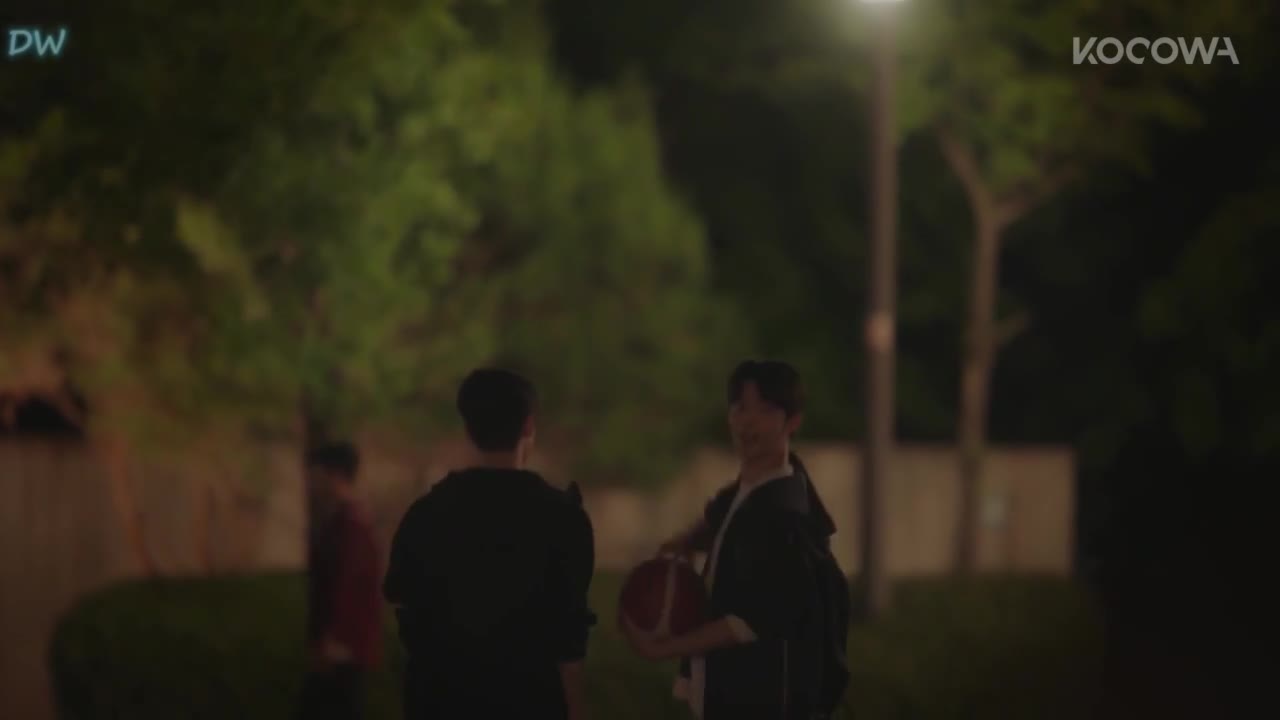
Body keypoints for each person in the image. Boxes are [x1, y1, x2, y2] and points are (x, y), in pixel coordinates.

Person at [620, 360, 849, 720]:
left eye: (766, 410)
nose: (748, 421)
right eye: (740, 408)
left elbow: (749, 621)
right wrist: (688, 540)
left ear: (793, 422)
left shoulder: (783, 518)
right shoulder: (759, 488)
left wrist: (664, 648)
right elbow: (723, 515)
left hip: (760, 698)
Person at [384, 368, 596, 720]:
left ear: (468, 427)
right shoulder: (563, 519)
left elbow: (403, 601)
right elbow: (569, 636)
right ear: (528, 426)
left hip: (440, 702)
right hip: (530, 704)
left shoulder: (427, 514)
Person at [300, 441, 384, 720]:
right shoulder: (344, 521)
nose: (312, 482)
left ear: (334, 474)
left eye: (317, 474)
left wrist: (329, 640)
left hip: (342, 650)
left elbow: (345, 586)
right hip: (341, 648)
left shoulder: (350, 525)